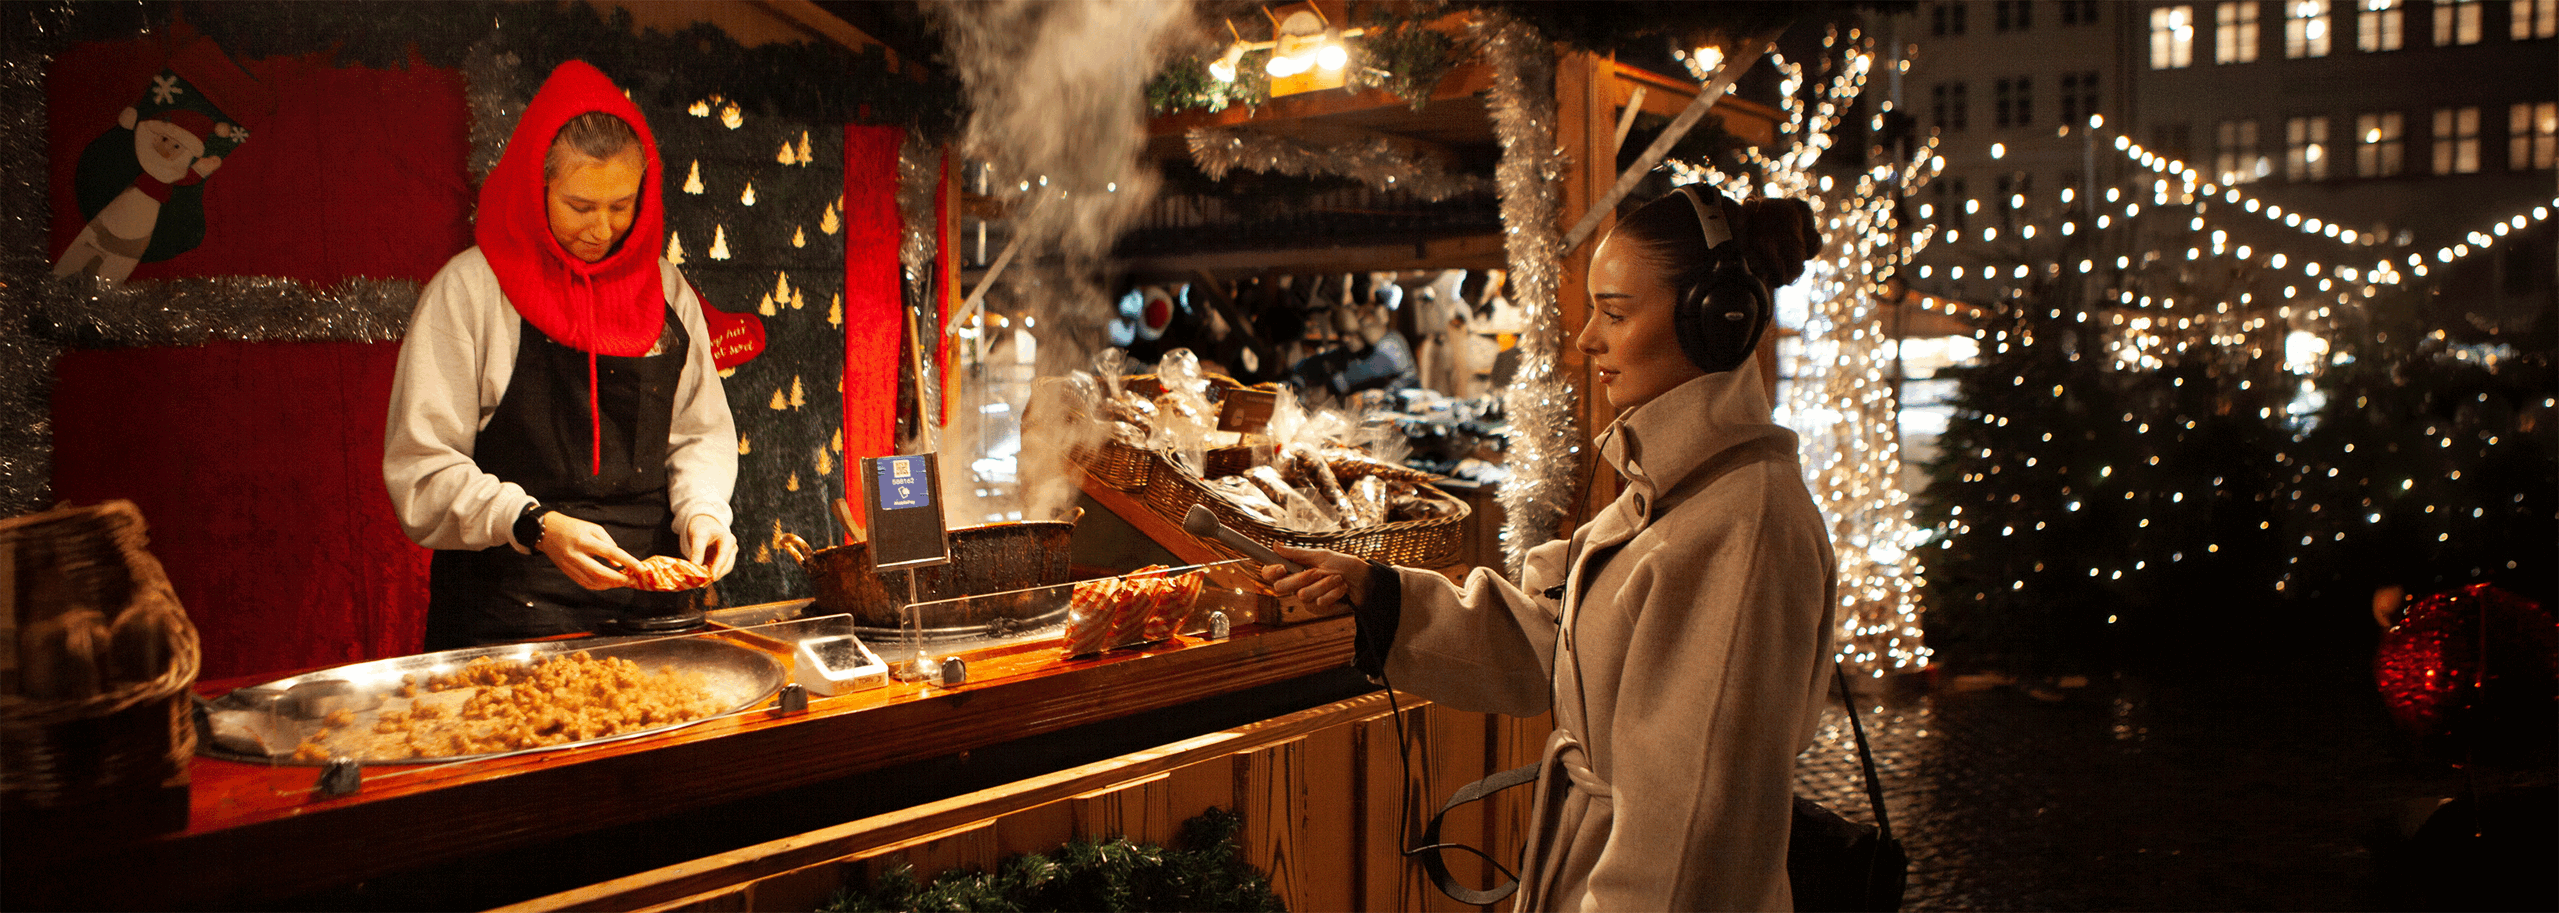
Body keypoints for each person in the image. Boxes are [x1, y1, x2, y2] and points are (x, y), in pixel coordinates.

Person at [1265, 187, 1837, 910]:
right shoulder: (1667, 491)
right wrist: (1379, 593)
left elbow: (1686, 847)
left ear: (1714, 322)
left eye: (1616, 312)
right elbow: (1551, 636)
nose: (1586, 338)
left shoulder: (1739, 528)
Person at [385, 61, 737, 650]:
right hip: (508, 614)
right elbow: (422, 471)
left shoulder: (667, 291)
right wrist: (533, 524)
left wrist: (703, 514)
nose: (602, 229)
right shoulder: (470, 291)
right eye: (580, 206)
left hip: (651, 608)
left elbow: (700, 434)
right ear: (536, 184)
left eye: (622, 206)